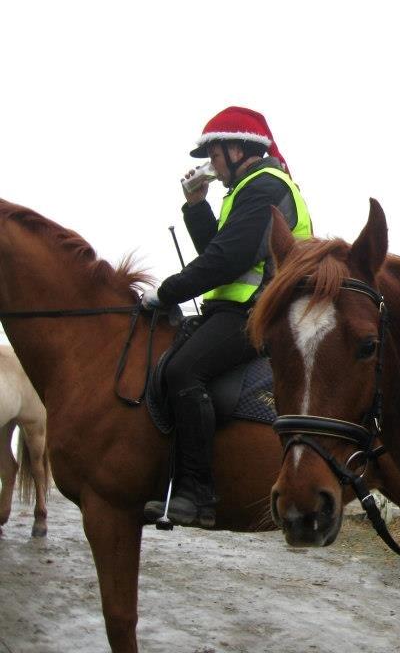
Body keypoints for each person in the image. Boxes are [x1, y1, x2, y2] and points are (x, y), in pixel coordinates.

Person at [142, 106, 313, 529]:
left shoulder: (265, 187)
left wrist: (167, 291)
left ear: (237, 148)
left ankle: (196, 492)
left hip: (262, 312)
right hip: (235, 308)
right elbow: (220, 249)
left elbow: (228, 258)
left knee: (185, 370)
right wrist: (197, 207)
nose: (210, 164)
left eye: (214, 153)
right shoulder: (244, 191)